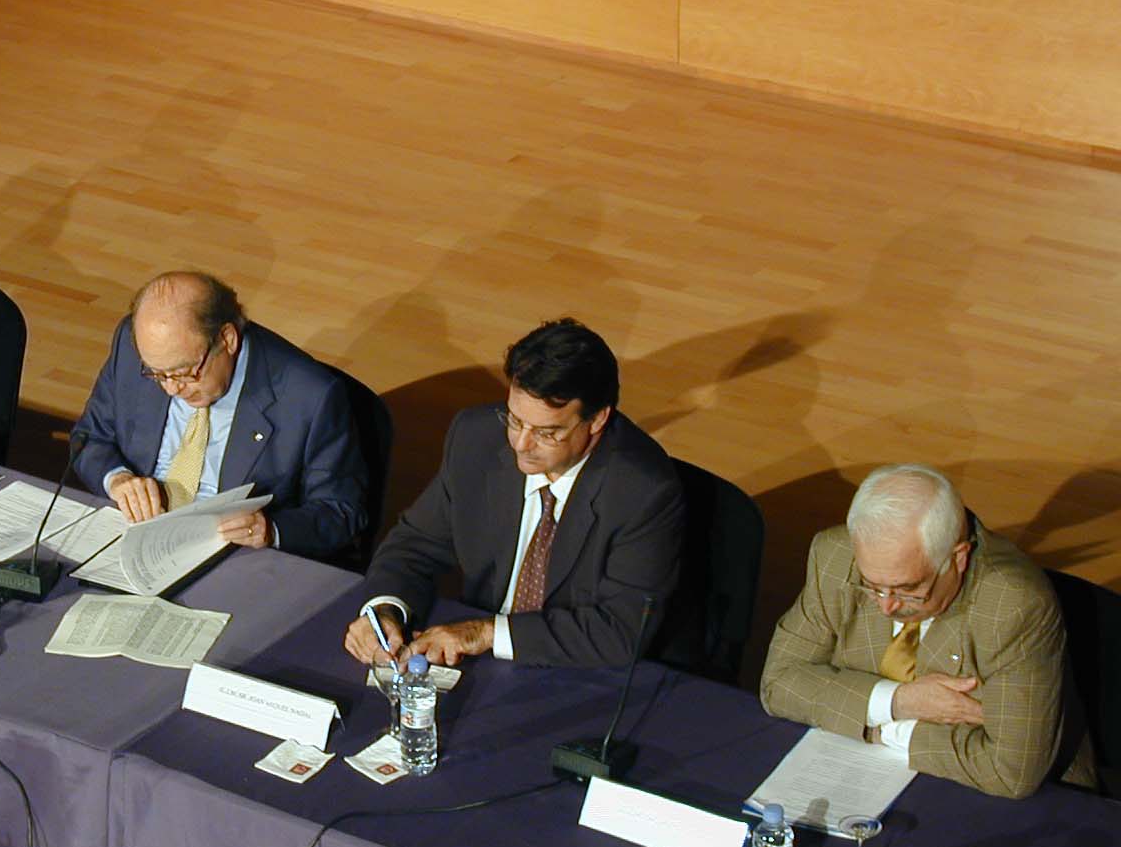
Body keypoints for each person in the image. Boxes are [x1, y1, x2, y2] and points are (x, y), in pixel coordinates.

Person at [343, 318, 683, 669]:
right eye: (516, 420)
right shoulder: (476, 437)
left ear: (596, 420)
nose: (520, 444)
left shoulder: (642, 492)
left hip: (577, 670)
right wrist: (385, 610)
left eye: (546, 433)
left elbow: (620, 632)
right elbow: (415, 545)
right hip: (479, 661)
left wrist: (486, 633)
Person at [760, 463, 1095, 798]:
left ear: (958, 559)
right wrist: (900, 702)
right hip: (867, 774)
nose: (886, 606)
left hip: (1023, 798)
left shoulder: (1012, 605)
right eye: (871, 586)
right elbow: (778, 683)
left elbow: (1009, 771)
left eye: (908, 589)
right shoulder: (835, 556)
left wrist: (878, 730)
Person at [70, 271, 369, 560]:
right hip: (136, 539)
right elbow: (89, 438)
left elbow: (341, 511)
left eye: (185, 372)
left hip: (237, 558)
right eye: (157, 374)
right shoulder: (136, 344)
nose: (171, 389)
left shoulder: (310, 396)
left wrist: (270, 530)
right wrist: (118, 479)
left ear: (227, 339)